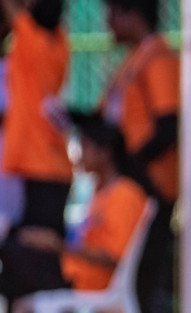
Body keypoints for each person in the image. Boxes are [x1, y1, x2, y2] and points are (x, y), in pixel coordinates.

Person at [100, 0, 179, 313]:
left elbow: (169, 125)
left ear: (134, 15)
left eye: (113, 15)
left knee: (146, 279)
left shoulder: (158, 59)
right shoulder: (133, 60)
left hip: (152, 187)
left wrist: (133, 162)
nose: (108, 24)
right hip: (134, 184)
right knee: (133, 279)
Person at [7, 114, 150, 298]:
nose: (79, 153)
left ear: (105, 152)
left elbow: (115, 257)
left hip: (85, 282)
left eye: (84, 145)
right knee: (12, 263)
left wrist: (58, 246)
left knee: (11, 250)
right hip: (72, 273)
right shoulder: (99, 192)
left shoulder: (125, 194)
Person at [0, 0, 72, 294]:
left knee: (35, 253)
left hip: (38, 164)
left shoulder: (31, 40)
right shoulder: (60, 44)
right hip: (55, 164)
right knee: (39, 249)